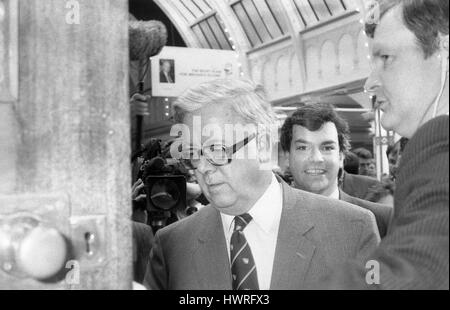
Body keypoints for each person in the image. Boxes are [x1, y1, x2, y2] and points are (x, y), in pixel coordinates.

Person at [144, 78, 380, 290]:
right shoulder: (172, 244)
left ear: (264, 146)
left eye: (217, 149)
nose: (203, 167)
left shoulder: (352, 229)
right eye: (194, 153)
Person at [321, 0, 449, 289]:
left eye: (386, 58)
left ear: (445, 51)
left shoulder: (440, 146)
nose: (370, 83)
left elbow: (408, 270)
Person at [280, 103, 392, 238]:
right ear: (287, 156)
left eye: (327, 148)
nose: (316, 158)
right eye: (303, 148)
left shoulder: (381, 221)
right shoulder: (272, 219)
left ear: (341, 156)